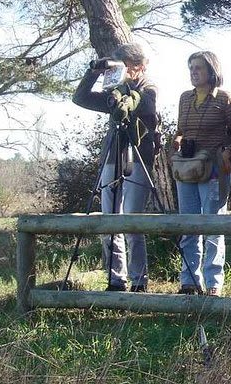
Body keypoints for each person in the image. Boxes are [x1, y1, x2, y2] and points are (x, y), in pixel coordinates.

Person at [72, 42, 158, 292]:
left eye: (127, 65)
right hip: (112, 156)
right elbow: (80, 98)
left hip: (138, 157)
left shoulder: (148, 88)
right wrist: (94, 73)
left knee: (132, 220)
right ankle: (115, 279)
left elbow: (143, 104)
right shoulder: (113, 91)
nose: (123, 70)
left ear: (140, 67)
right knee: (110, 221)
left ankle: (139, 280)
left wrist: (122, 90)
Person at [172, 51, 231, 296]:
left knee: (213, 224)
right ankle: (189, 280)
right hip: (187, 167)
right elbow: (180, 129)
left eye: (198, 68)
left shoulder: (225, 98)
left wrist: (227, 153)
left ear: (211, 71)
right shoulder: (184, 98)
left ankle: (213, 282)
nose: (193, 72)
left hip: (213, 169)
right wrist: (177, 141)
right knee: (188, 224)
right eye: (191, 67)